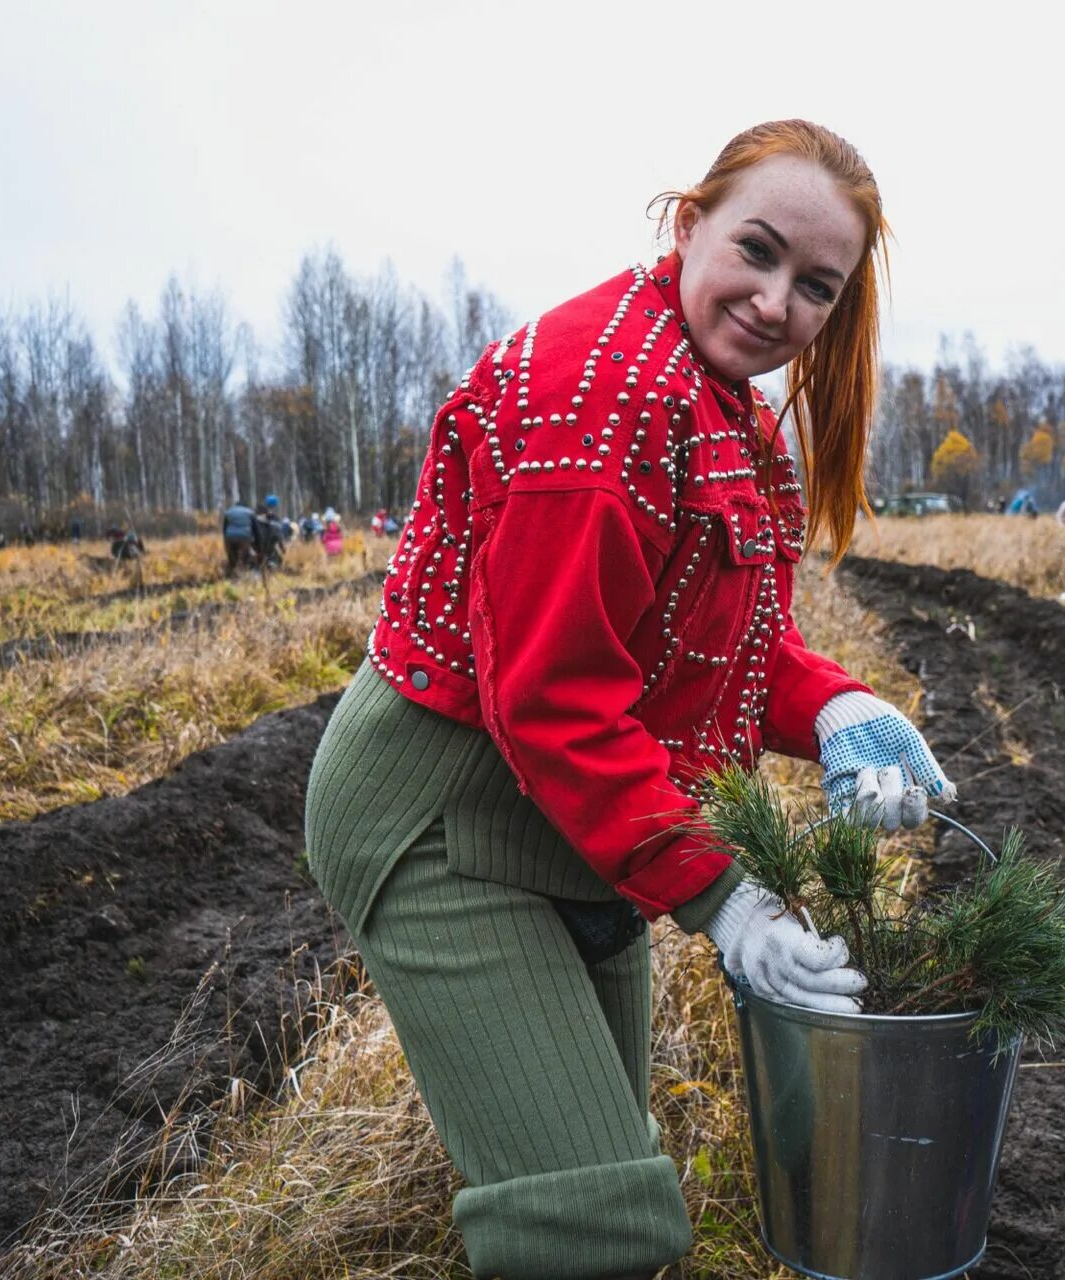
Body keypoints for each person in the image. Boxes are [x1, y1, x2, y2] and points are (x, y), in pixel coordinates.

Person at [301, 121, 959, 1280]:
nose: (774, 302)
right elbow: (555, 702)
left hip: (559, 817)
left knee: (620, 1163)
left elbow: (730, 640)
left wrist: (841, 707)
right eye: (755, 251)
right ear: (687, 222)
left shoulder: (725, 406)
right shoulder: (602, 403)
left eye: (816, 286)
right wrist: (724, 901)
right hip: (443, 819)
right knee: (596, 1222)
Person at [222, 497, 257, 574]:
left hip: (229, 536)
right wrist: (256, 542)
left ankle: (231, 572)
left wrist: (225, 539)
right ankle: (243, 572)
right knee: (244, 556)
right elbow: (255, 529)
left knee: (232, 557)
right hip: (244, 537)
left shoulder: (228, 512)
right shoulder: (250, 512)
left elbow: (224, 528)